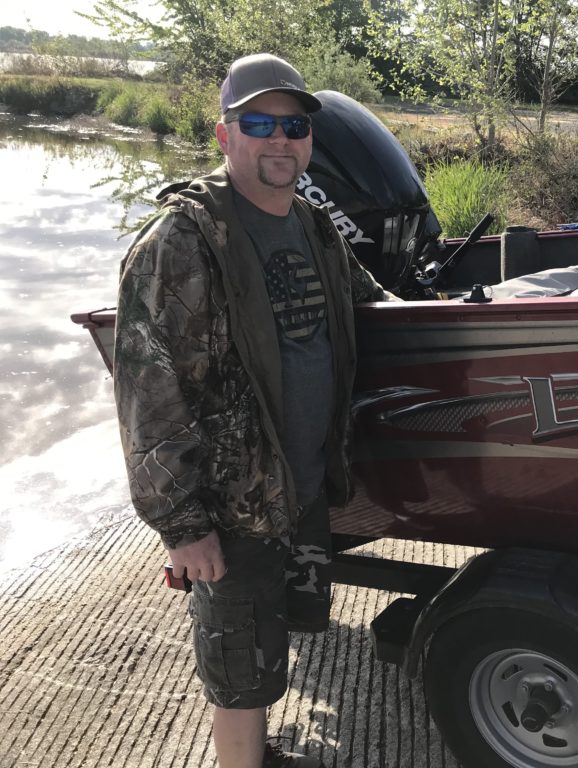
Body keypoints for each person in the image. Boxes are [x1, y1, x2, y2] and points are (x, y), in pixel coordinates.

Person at [113, 53, 394, 768]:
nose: (279, 139)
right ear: (224, 135)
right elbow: (149, 394)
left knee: (272, 645)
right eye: (259, 123)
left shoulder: (313, 225)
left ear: (309, 138)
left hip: (297, 491)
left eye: (293, 125)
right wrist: (183, 528)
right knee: (237, 672)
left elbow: (374, 307)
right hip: (228, 510)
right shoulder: (180, 241)